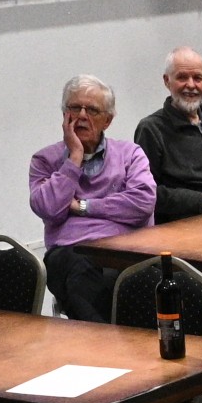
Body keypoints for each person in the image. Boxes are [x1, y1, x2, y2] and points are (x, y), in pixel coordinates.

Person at [29, 75, 157, 322]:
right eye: (74, 108)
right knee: (83, 276)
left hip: (126, 251)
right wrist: (74, 158)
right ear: (64, 115)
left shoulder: (130, 154)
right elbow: (49, 208)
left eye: (92, 110)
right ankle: (106, 341)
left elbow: (142, 203)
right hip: (71, 253)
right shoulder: (45, 160)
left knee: (175, 282)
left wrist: (83, 206)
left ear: (107, 120)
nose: (81, 116)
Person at [133, 47, 202, 224]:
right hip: (190, 220)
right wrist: (197, 202)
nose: (191, 85)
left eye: (197, 78)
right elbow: (146, 191)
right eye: (182, 77)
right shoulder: (151, 129)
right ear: (167, 81)